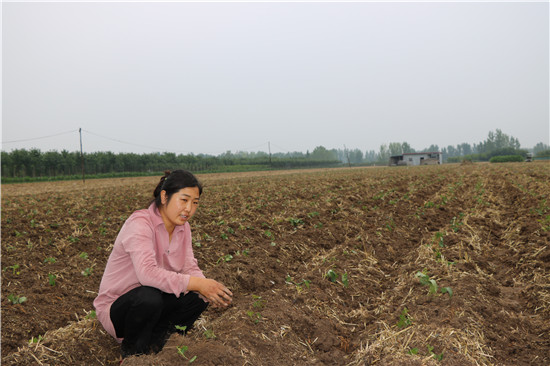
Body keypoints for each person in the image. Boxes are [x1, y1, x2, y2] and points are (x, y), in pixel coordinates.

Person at [93, 170, 233, 359]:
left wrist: (207, 288)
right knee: (149, 296)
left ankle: (161, 345)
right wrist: (198, 284)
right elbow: (147, 274)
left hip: (155, 301)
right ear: (164, 196)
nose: (189, 209)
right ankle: (133, 355)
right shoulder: (140, 223)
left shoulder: (183, 228)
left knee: (198, 297)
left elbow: (189, 266)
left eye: (195, 202)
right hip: (121, 309)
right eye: (183, 200)